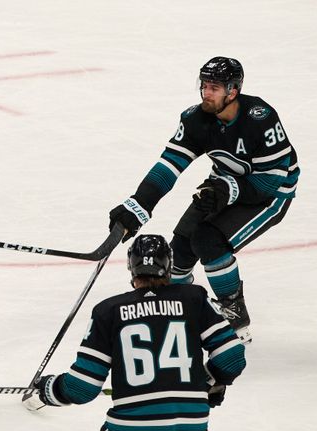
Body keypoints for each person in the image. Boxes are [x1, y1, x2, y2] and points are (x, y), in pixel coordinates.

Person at [25, 234, 246, 431]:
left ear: (131, 269)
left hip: (133, 426)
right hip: (189, 422)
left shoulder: (109, 311)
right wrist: (212, 383)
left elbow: (82, 388)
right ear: (168, 268)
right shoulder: (193, 298)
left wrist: (50, 389)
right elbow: (232, 357)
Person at [108, 56, 300, 343]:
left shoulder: (260, 118)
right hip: (224, 183)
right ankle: (179, 311)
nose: (206, 93)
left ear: (233, 91)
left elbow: (268, 182)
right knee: (182, 248)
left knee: (208, 240)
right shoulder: (196, 119)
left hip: (271, 194)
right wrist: (138, 205)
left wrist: (226, 191)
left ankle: (235, 316)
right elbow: (168, 165)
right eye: (204, 86)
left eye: (214, 88)